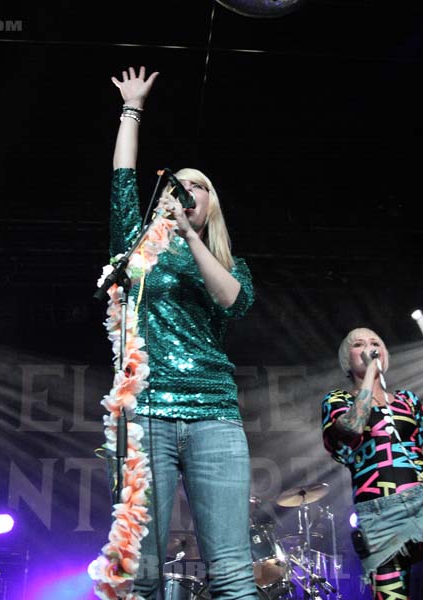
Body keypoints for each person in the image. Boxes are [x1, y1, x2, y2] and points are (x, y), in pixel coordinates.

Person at [108, 66, 258, 599]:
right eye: (181, 182)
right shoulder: (138, 248)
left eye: (200, 185)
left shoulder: (227, 262)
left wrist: (191, 236)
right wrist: (133, 109)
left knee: (233, 570)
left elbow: (232, 302)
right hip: (146, 413)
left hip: (214, 415)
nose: (188, 189)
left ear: (211, 203)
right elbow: (124, 179)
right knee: (141, 572)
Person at [321, 328, 423, 600]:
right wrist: (370, 376)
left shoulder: (408, 400)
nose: (369, 347)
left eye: (376, 343)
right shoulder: (337, 401)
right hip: (378, 513)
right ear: (346, 360)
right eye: (359, 344)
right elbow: (353, 425)